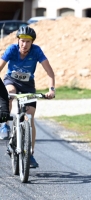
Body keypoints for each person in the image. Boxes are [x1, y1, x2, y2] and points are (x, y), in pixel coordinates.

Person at [0, 26, 55, 168]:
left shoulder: (37, 51)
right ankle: (5, 125)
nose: (25, 45)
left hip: (28, 85)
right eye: (22, 41)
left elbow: (50, 72)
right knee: (9, 93)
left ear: (32, 43)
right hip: (11, 80)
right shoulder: (11, 49)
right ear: (18, 41)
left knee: (29, 118)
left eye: (28, 42)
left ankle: (30, 153)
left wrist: (51, 89)